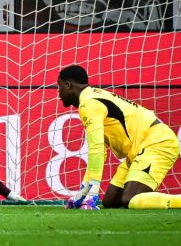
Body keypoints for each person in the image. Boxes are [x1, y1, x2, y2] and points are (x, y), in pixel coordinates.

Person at [58, 65, 181, 209]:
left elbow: (96, 148)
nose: (58, 92)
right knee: (111, 202)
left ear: (68, 85)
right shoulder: (91, 98)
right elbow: (101, 151)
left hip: (157, 142)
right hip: (137, 151)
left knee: (131, 200)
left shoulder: (89, 103)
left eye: (59, 86)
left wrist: (93, 193)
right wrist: (84, 191)